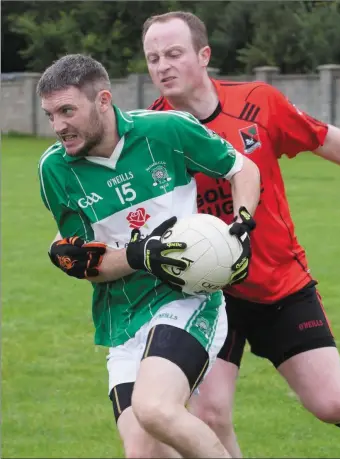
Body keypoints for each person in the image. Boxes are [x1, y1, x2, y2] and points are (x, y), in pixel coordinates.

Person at [49, 12, 340, 459]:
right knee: (210, 413)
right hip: (202, 287)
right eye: (153, 57)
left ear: (204, 55)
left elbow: (322, 138)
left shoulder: (257, 102)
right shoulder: (147, 133)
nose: (162, 66)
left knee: (334, 405)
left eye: (174, 53)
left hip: (278, 280)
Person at [38, 53, 261, 459]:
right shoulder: (55, 170)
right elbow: (89, 265)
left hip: (185, 299)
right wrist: (141, 256)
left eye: (67, 111)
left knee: (155, 408)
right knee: (144, 452)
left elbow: (241, 168)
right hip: (122, 320)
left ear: (103, 100)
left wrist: (243, 223)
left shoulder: (167, 131)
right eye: (50, 114)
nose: (58, 126)